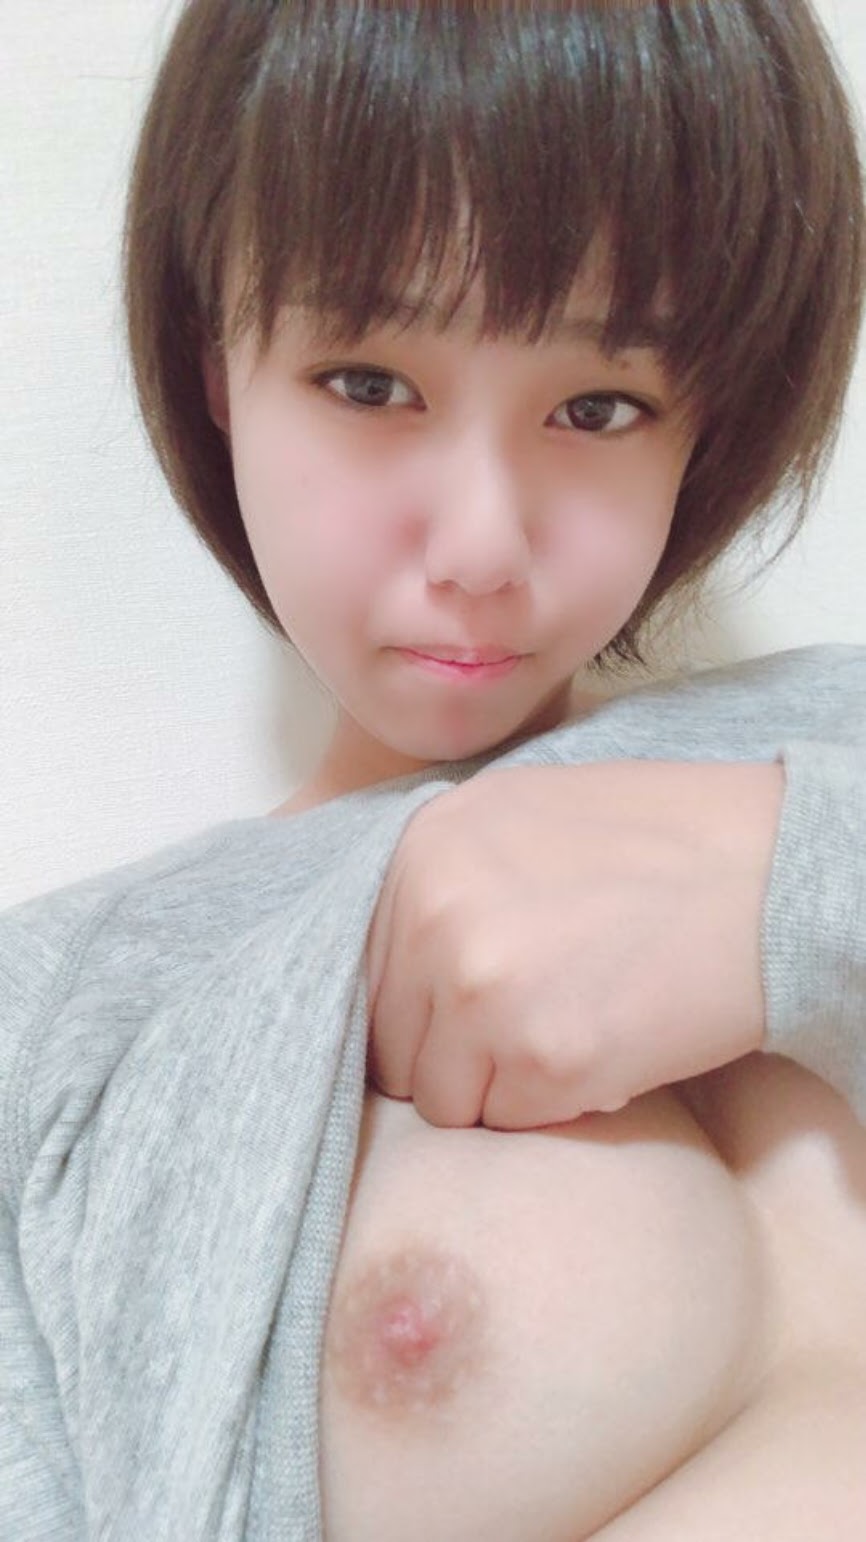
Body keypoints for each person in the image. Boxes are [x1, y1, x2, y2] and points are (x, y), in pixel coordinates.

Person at [2, 0, 866, 1537]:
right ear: (220, 363)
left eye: (597, 405)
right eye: (366, 381)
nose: (477, 546)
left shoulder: (837, 730)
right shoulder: (66, 1014)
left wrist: (803, 882)